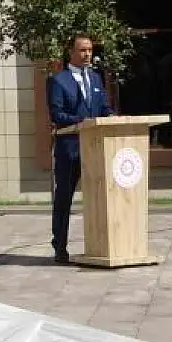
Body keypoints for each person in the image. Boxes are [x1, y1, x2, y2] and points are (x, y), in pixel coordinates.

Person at [47, 34, 114, 264]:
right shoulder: (59, 80)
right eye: (83, 50)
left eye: (90, 50)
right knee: (64, 198)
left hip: (96, 149)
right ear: (71, 52)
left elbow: (104, 107)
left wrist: (112, 118)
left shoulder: (95, 79)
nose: (88, 54)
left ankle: (104, 245)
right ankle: (60, 246)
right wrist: (82, 121)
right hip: (70, 149)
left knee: (102, 196)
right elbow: (57, 115)